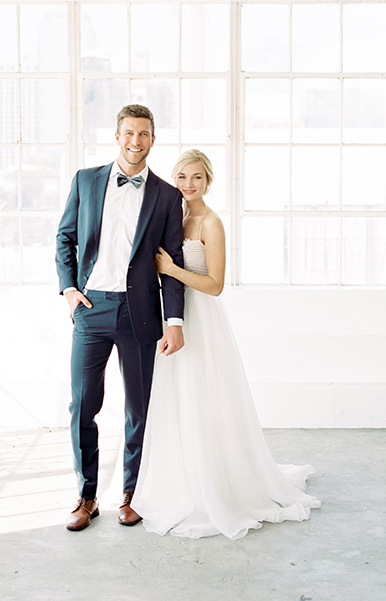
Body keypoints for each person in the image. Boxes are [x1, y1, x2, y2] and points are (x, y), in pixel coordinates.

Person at [132, 149, 320, 540]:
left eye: (196, 178)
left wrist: (171, 269)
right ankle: (182, 478)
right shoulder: (174, 215)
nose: (188, 184)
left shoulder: (211, 223)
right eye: (182, 176)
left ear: (208, 181)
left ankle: (216, 483)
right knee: (178, 400)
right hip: (174, 317)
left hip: (200, 318)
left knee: (206, 399)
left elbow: (215, 285)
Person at [56, 104, 185, 532]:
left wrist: (175, 321)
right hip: (91, 309)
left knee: (140, 408)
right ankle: (86, 496)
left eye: (143, 134)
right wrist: (70, 288)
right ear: (117, 136)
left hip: (140, 313)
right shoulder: (86, 180)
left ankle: (132, 493)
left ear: (153, 139)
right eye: (128, 133)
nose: (135, 141)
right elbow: (66, 236)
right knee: (82, 406)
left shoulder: (167, 196)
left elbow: (172, 262)